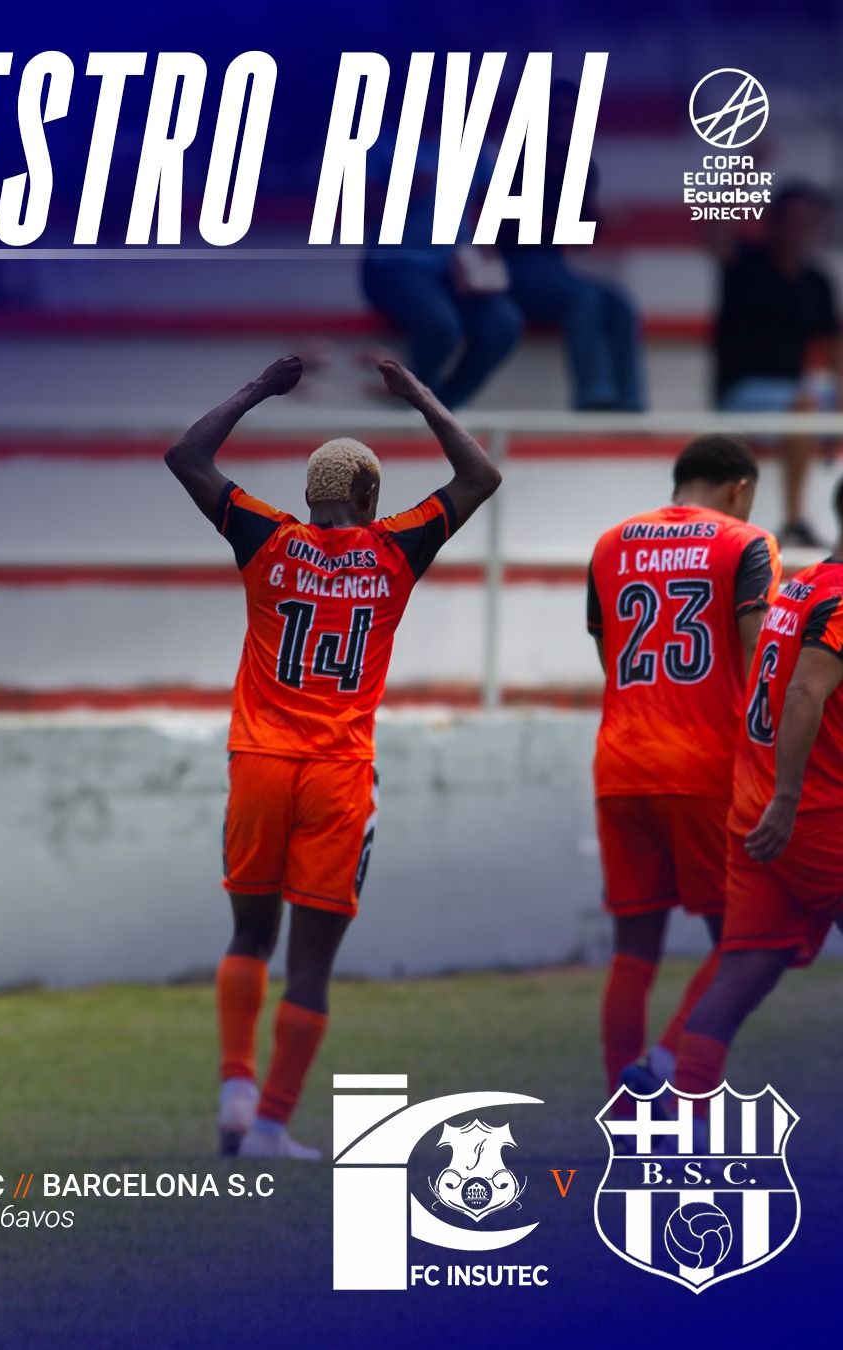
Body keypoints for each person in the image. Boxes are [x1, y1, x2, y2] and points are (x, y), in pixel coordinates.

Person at [164, 354, 501, 1158]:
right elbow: (480, 475)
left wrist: (258, 388)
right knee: (310, 967)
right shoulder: (396, 549)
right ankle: (272, 1125)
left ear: (310, 496)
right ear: (370, 498)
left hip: (259, 762)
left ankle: (236, 1092)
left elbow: (186, 456)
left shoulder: (266, 537)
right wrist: (418, 394)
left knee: (250, 935)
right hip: (339, 775)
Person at [587, 437, 780, 1101]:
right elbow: (760, 655)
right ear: (740, 489)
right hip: (706, 764)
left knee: (633, 951)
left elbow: (609, 654)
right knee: (745, 939)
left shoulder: (610, 543)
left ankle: (621, 1107)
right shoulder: (747, 542)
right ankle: (666, 1060)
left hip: (621, 760)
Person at [672, 475, 843, 1121]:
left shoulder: (803, 585)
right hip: (813, 816)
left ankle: (682, 1120)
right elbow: (803, 693)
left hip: (758, 814)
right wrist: (790, 799)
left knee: (741, 976)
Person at [499, 79, 645, 411]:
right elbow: (510, 228)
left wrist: (595, 219)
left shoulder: (582, 167)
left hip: (553, 266)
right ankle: (594, 395)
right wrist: (572, 220)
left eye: (572, 113)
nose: (566, 120)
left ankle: (631, 401)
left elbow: (578, 242)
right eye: (558, 112)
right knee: (584, 299)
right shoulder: (514, 160)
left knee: (621, 304)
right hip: (513, 265)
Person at [360, 112, 523, 408]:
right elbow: (354, 209)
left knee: (504, 323)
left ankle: (443, 405)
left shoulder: (475, 148)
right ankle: (413, 401)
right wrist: (400, 193)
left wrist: (485, 248)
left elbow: (494, 206)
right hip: (395, 266)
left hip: (456, 270)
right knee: (441, 325)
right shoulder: (381, 144)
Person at [713, 183, 843, 547]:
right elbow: (715, 230)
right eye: (793, 220)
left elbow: (834, 347)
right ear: (774, 222)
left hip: (796, 391)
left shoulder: (817, 280)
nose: (800, 230)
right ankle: (794, 519)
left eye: (808, 222)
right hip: (742, 391)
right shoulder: (744, 262)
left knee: (809, 398)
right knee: (803, 403)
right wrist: (744, 168)